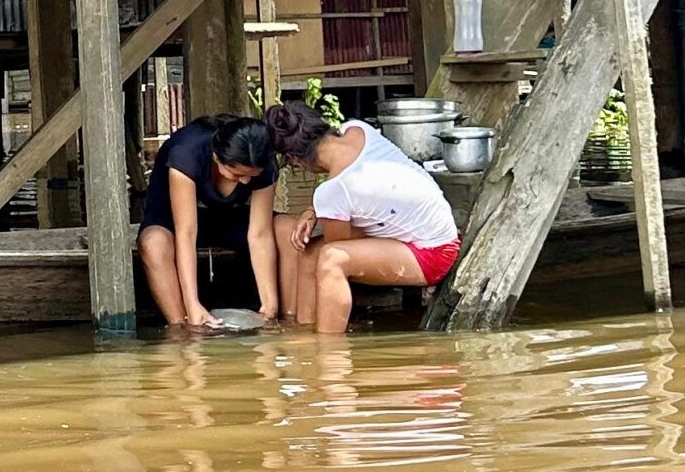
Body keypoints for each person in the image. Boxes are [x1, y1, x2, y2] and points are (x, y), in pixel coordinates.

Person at [266, 101, 461, 335]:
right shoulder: (358, 129)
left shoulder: (332, 191)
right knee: (309, 254)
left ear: (295, 159)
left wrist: (319, 208)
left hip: (432, 253)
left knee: (331, 259)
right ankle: (302, 334)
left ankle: (328, 349)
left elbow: (340, 245)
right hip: (437, 228)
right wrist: (314, 210)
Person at [136, 112, 279, 329]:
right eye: (237, 174)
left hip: (229, 218)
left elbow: (260, 233)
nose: (246, 181)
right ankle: (182, 327)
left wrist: (269, 304)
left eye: (252, 175)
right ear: (216, 156)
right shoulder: (186, 153)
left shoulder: (262, 160)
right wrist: (192, 303)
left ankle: (293, 319)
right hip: (175, 222)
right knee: (153, 243)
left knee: (288, 230)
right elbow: (187, 232)